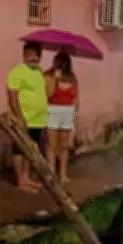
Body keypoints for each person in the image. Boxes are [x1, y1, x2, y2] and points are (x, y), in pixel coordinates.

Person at [6, 41, 48, 194]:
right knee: (20, 149)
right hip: (24, 118)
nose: (34, 58)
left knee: (31, 149)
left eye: (37, 55)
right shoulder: (17, 72)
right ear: (24, 54)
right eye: (30, 54)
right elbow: (12, 96)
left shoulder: (38, 71)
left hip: (37, 119)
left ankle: (26, 177)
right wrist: (19, 117)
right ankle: (20, 181)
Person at [45, 52, 79, 183]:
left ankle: (63, 173)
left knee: (64, 145)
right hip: (53, 110)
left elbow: (76, 98)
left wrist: (75, 116)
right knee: (52, 144)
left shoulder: (72, 77)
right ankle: (51, 173)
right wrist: (55, 79)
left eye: (64, 62)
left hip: (68, 112)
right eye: (59, 61)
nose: (61, 64)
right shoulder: (48, 75)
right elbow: (48, 94)